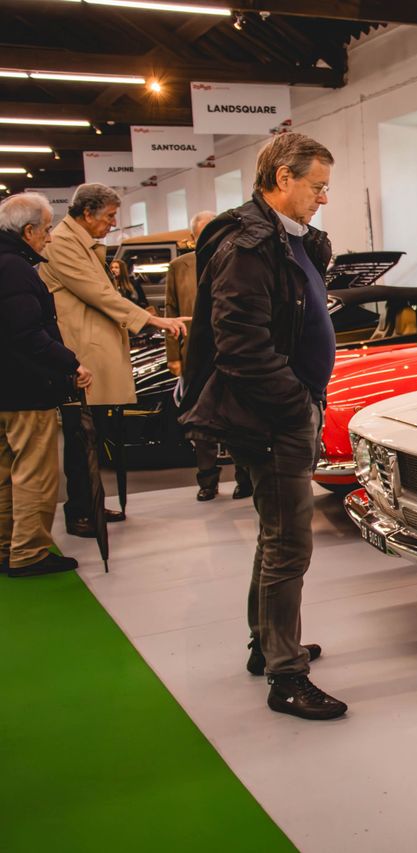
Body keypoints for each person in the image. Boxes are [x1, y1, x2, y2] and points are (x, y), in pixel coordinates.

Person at [178, 132, 343, 720]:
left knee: (276, 536)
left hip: (289, 410)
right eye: (316, 186)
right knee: (289, 544)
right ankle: (286, 677)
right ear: (282, 178)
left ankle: (267, 643)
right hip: (272, 417)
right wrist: (295, 404)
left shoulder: (289, 238)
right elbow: (240, 346)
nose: (323, 197)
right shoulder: (248, 246)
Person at [39, 183, 188, 538]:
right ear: (86, 213)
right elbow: (100, 294)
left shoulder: (81, 243)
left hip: (92, 351)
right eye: (108, 216)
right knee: (82, 438)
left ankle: (90, 502)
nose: (112, 223)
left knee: (91, 437)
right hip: (82, 355)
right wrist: (153, 320)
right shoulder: (63, 244)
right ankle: (81, 510)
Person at [0, 193, 91, 578]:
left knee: (5, 474)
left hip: (6, 392)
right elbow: (27, 333)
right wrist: (70, 362)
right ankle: (29, 553)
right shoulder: (16, 269)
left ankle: (6, 547)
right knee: (34, 473)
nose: (50, 238)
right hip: (25, 389)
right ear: (28, 231)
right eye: (47, 229)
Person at [164, 211, 253, 503]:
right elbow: (171, 309)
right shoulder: (179, 267)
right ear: (192, 238)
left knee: (238, 418)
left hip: (232, 352)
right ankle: (207, 480)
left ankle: (244, 478)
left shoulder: (238, 259)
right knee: (200, 421)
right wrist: (174, 356)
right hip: (196, 354)